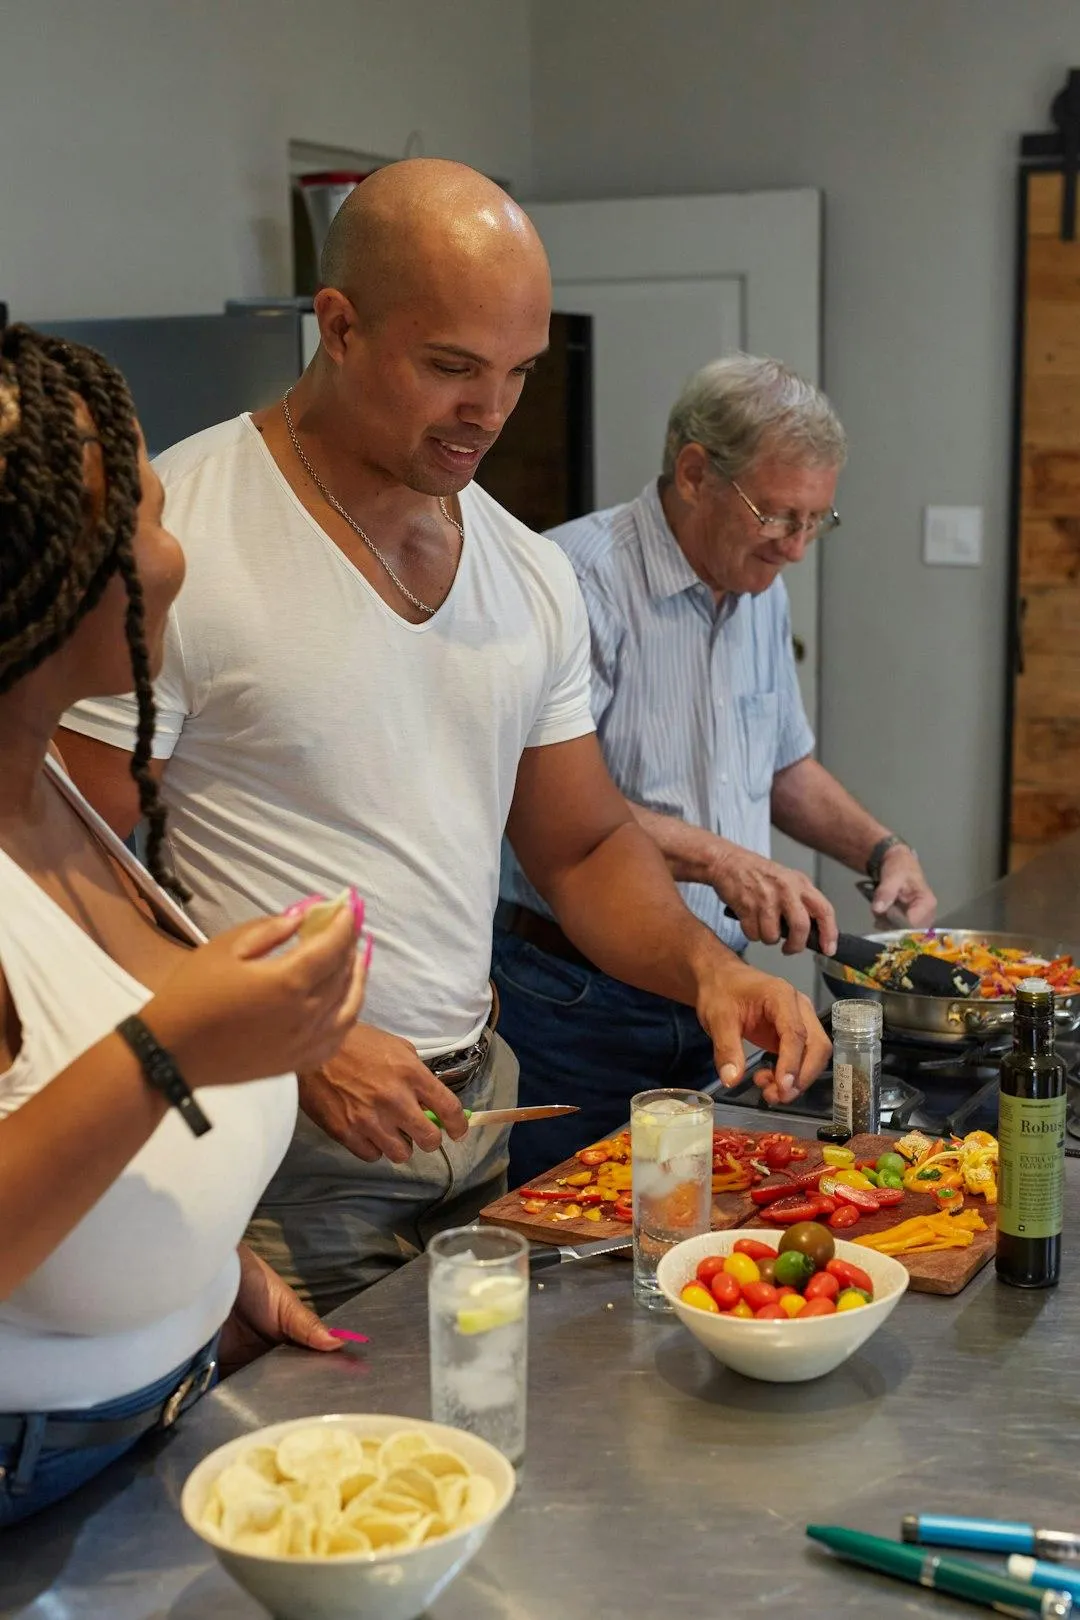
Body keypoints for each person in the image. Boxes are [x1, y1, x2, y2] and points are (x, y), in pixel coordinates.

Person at [60, 161, 831, 1315]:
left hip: (474, 1125)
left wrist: (710, 970)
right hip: (268, 1150)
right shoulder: (185, 538)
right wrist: (294, 1043)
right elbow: (63, 878)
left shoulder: (528, 575)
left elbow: (581, 848)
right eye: (453, 367)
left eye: (518, 372)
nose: (492, 410)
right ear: (340, 327)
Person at [0, 324, 366, 1527]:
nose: (176, 554)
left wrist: (202, 1271)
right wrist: (174, 1047)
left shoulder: (50, 788)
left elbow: (52, 1128)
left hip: (158, 1431)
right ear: (45, 570)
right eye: (148, 517)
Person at [496, 355, 936, 1182]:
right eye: (778, 515)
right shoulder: (574, 580)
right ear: (695, 473)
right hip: (576, 997)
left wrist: (882, 850)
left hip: (711, 987)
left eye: (816, 521)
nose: (796, 548)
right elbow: (548, 802)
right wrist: (722, 859)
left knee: (691, 1216)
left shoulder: (759, 583)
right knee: (570, 1224)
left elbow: (784, 765)